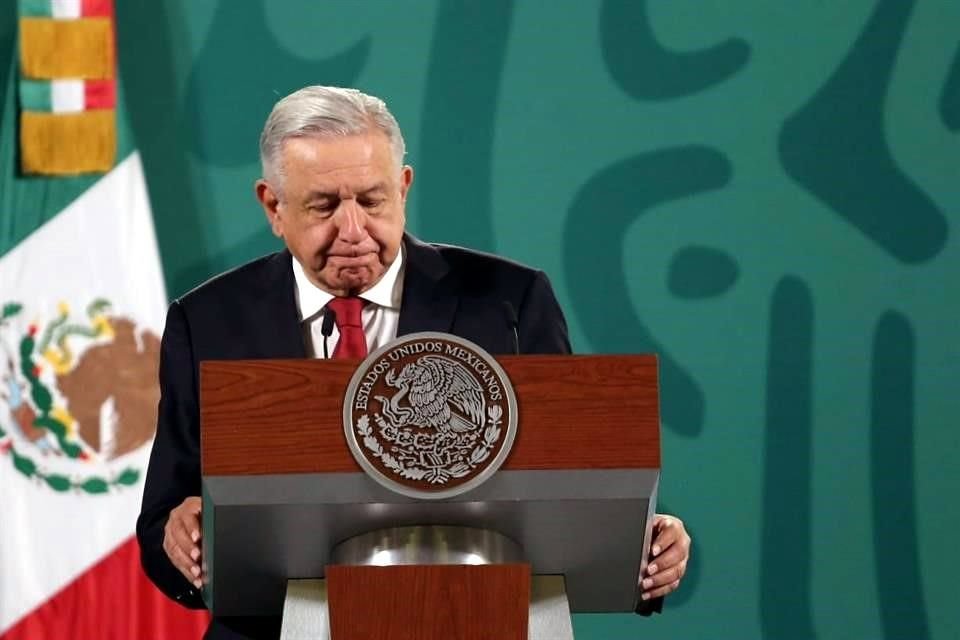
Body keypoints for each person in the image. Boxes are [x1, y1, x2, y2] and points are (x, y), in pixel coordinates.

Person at [136, 86, 691, 639]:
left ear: (403, 188)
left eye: (372, 201)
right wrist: (183, 539)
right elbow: (163, 522)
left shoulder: (509, 302)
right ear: (273, 206)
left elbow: (571, 477)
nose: (353, 230)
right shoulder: (207, 321)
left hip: (476, 619)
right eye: (324, 206)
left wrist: (647, 542)